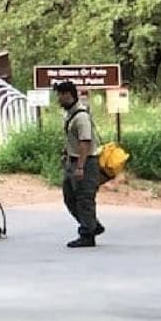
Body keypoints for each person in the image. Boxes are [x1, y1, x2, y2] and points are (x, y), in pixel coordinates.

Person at [56, 81, 106, 248]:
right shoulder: (71, 114)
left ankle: (87, 234)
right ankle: (92, 225)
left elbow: (85, 142)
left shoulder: (81, 117)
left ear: (68, 95)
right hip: (72, 161)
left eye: (60, 95)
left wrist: (80, 167)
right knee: (69, 196)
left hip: (85, 162)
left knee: (84, 198)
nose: (58, 99)